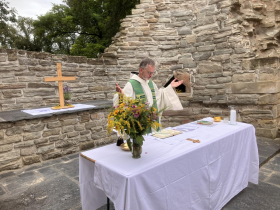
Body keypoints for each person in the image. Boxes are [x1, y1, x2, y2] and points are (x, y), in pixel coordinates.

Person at [113, 58, 184, 113]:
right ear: (141, 70)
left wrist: (170, 87)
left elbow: (158, 97)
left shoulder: (151, 83)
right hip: (140, 125)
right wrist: (120, 96)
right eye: (149, 72)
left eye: (152, 73)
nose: (151, 75)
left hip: (152, 122)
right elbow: (124, 104)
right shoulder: (132, 84)